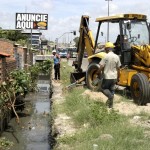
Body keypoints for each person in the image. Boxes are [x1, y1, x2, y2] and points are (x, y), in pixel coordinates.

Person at [96, 42, 121, 108]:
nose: (105, 50)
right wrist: (118, 78)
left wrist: (98, 73)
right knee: (111, 90)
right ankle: (110, 106)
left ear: (107, 49)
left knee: (102, 88)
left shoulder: (105, 56)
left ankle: (110, 97)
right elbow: (119, 69)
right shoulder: (117, 57)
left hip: (107, 77)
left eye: (105, 49)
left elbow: (101, 67)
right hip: (114, 77)